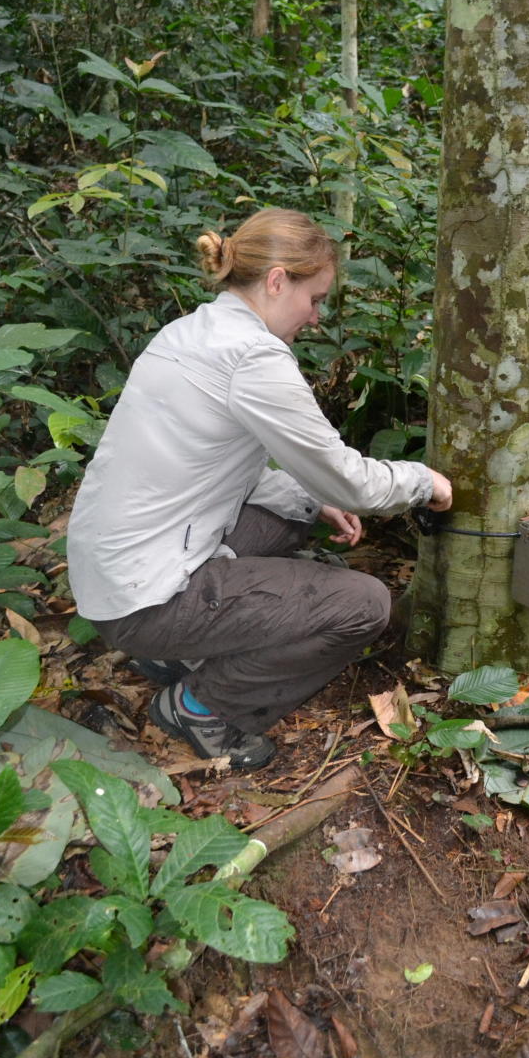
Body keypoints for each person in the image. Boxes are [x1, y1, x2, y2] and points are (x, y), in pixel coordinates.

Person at [67, 208, 452, 771]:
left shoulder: (193, 330)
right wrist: (425, 482)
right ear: (277, 280)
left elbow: (213, 466)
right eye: (315, 298)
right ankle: (200, 706)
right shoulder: (252, 355)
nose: (316, 317)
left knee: (298, 508)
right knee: (364, 605)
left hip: (113, 574)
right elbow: (349, 478)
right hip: (145, 597)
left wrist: (316, 500)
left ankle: (181, 652)